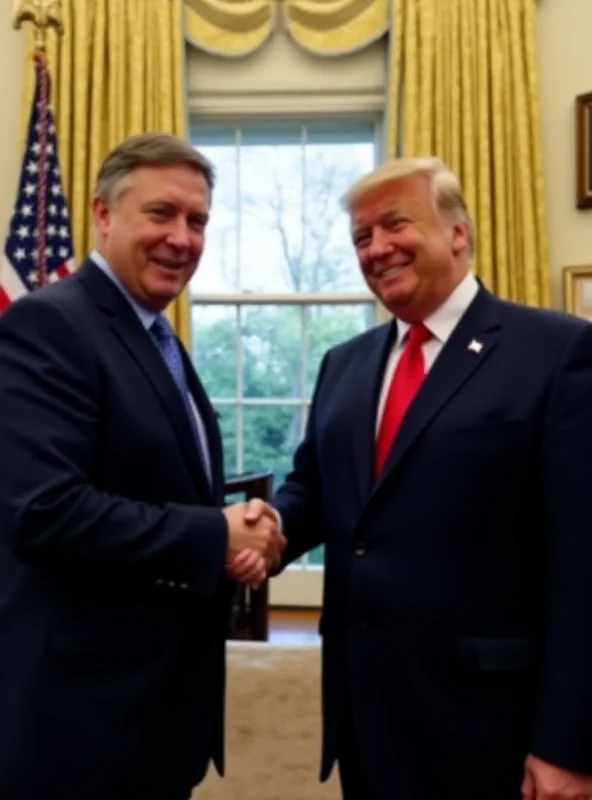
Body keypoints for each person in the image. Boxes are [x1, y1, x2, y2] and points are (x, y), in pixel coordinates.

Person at [256, 157, 592, 800]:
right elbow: (316, 489)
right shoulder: (345, 364)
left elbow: (585, 565)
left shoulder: (557, 352)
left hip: (489, 721)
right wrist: (264, 530)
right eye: (361, 237)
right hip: (364, 711)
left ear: (457, 233)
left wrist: (568, 743)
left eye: (395, 224)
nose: (377, 248)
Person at [0, 132, 284, 800]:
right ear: (102, 213)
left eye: (198, 221)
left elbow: (157, 483)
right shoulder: (53, 325)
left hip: (151, 705)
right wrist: (214, 535)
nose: (182, 238)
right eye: (161, 213)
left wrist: (231, 537)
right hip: (80, 717)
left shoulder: (153, 334)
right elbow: (45, 512)